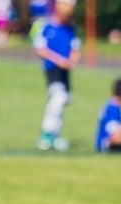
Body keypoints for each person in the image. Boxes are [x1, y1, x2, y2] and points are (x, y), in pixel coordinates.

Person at [34, 0, 80, 151]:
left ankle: (55, 136)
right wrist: (59, 60)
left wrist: (72, 61)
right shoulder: (47, 26)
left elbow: (75, 49)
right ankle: (46, 135)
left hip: (65, 72)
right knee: (58, 99)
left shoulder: (70, 29)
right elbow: (40, 49)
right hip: (53, 70)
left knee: (63, 100)